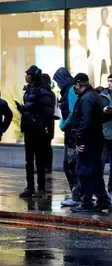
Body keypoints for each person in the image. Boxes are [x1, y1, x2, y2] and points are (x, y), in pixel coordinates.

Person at [69, 73, 110, 212]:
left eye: (75, 86)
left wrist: (79, 140)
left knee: (84, 172)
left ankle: (86, 203)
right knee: (95, 172)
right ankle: (103, 200)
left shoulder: (86, 98)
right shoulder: (94, 96)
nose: (74, 89)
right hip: (95, 140)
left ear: (78, 85)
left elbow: (85, 121)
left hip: (88, 141)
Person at [16, 65, 55, 197]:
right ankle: (30, 187)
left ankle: (41, 188)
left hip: (38, 131)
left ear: (33, 76)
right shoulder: (29, 89)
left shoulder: (42, 90)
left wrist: (39, 124)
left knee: (39, 160)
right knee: (29, 160)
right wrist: (23, 110)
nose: (26, 76)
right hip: (29, 129)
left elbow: (47, 112)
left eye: (28, 74)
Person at [53, 67, 81, 207]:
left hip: (72, 134)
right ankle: (77, 196)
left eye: (57, 81)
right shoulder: (67, 90)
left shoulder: (70, 90)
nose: (57, 85)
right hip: (70, 134)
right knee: (69, 165)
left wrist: (63, 125)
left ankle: (77, 197)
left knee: (71, 166)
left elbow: (72, 112)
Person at [100, 74, 112, 200]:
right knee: (100, 164)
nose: (109, 83)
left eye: (111, 81)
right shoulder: (102, 96)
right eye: (108, 81)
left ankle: (111, 189)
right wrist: (103, 110)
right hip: (104, 134)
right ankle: (100, 191)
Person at [41, 73, 56, 174]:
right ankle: (46, 166)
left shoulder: (48, 93)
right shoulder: (51, 93)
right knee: (46, 145)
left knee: (45, 145)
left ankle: (46, 166)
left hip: (46, 122)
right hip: (48, 122)